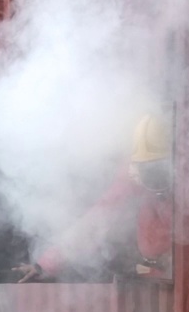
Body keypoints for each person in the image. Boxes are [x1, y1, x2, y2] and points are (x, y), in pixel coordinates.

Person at [14, 113, 173, 283]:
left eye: (157, 167)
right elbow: (96, 221)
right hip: (157, 279)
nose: (153, 177)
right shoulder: (131, 178)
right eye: (146, 169)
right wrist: (45, 264)